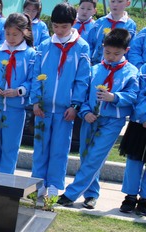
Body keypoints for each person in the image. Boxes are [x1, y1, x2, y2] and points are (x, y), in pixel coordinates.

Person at [57, 28, 138, 209]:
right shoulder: (94, 69)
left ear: (126, 51)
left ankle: (70, 194)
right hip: (90, 119)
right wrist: (85, 112)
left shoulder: (131, 72)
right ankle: (92, 194)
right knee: (86, 156)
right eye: (107, 52)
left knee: (95, 157)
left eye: (116, 53)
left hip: (112, 121)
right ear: (102, 48)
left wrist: (114, 97)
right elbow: (83, 94)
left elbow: (133, 96)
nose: (111, 57)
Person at [30, 2, 90, 202]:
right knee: (40, 148)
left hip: (65, 111)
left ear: (73, 24)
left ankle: (54, 187)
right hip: (43, 109)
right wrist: (36, 101)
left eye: (64, 27)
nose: (60, 31)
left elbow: (82, 80)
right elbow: (36, 74)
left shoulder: (81, 47)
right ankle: (37, 186)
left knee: (59, 149)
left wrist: (75, 106)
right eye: (56, 26)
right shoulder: (45, 45)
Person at [0, 13, 36, 175]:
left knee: (10, 146)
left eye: (15, 34)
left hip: (15, 108)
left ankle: (5, 181)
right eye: (7, 34)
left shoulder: (31, 55)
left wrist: (19, 91)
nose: (11, 38)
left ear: (25, 32)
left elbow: (33, 79)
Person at [117, 62, 146, 215]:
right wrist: (143, 116)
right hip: (139, 124)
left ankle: (145, 199)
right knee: (134, 162)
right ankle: (130, 197)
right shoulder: (144, 69)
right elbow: (139, 94)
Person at [85, 0, 136, 65]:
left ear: (128, 3)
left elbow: (131, 49)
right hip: (95, 66)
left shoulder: (130, 25)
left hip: (118, 68)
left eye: (120, 1)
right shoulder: (99, 22)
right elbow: (89, 43)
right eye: (112, 1)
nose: (115, 4)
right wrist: (88, 61)